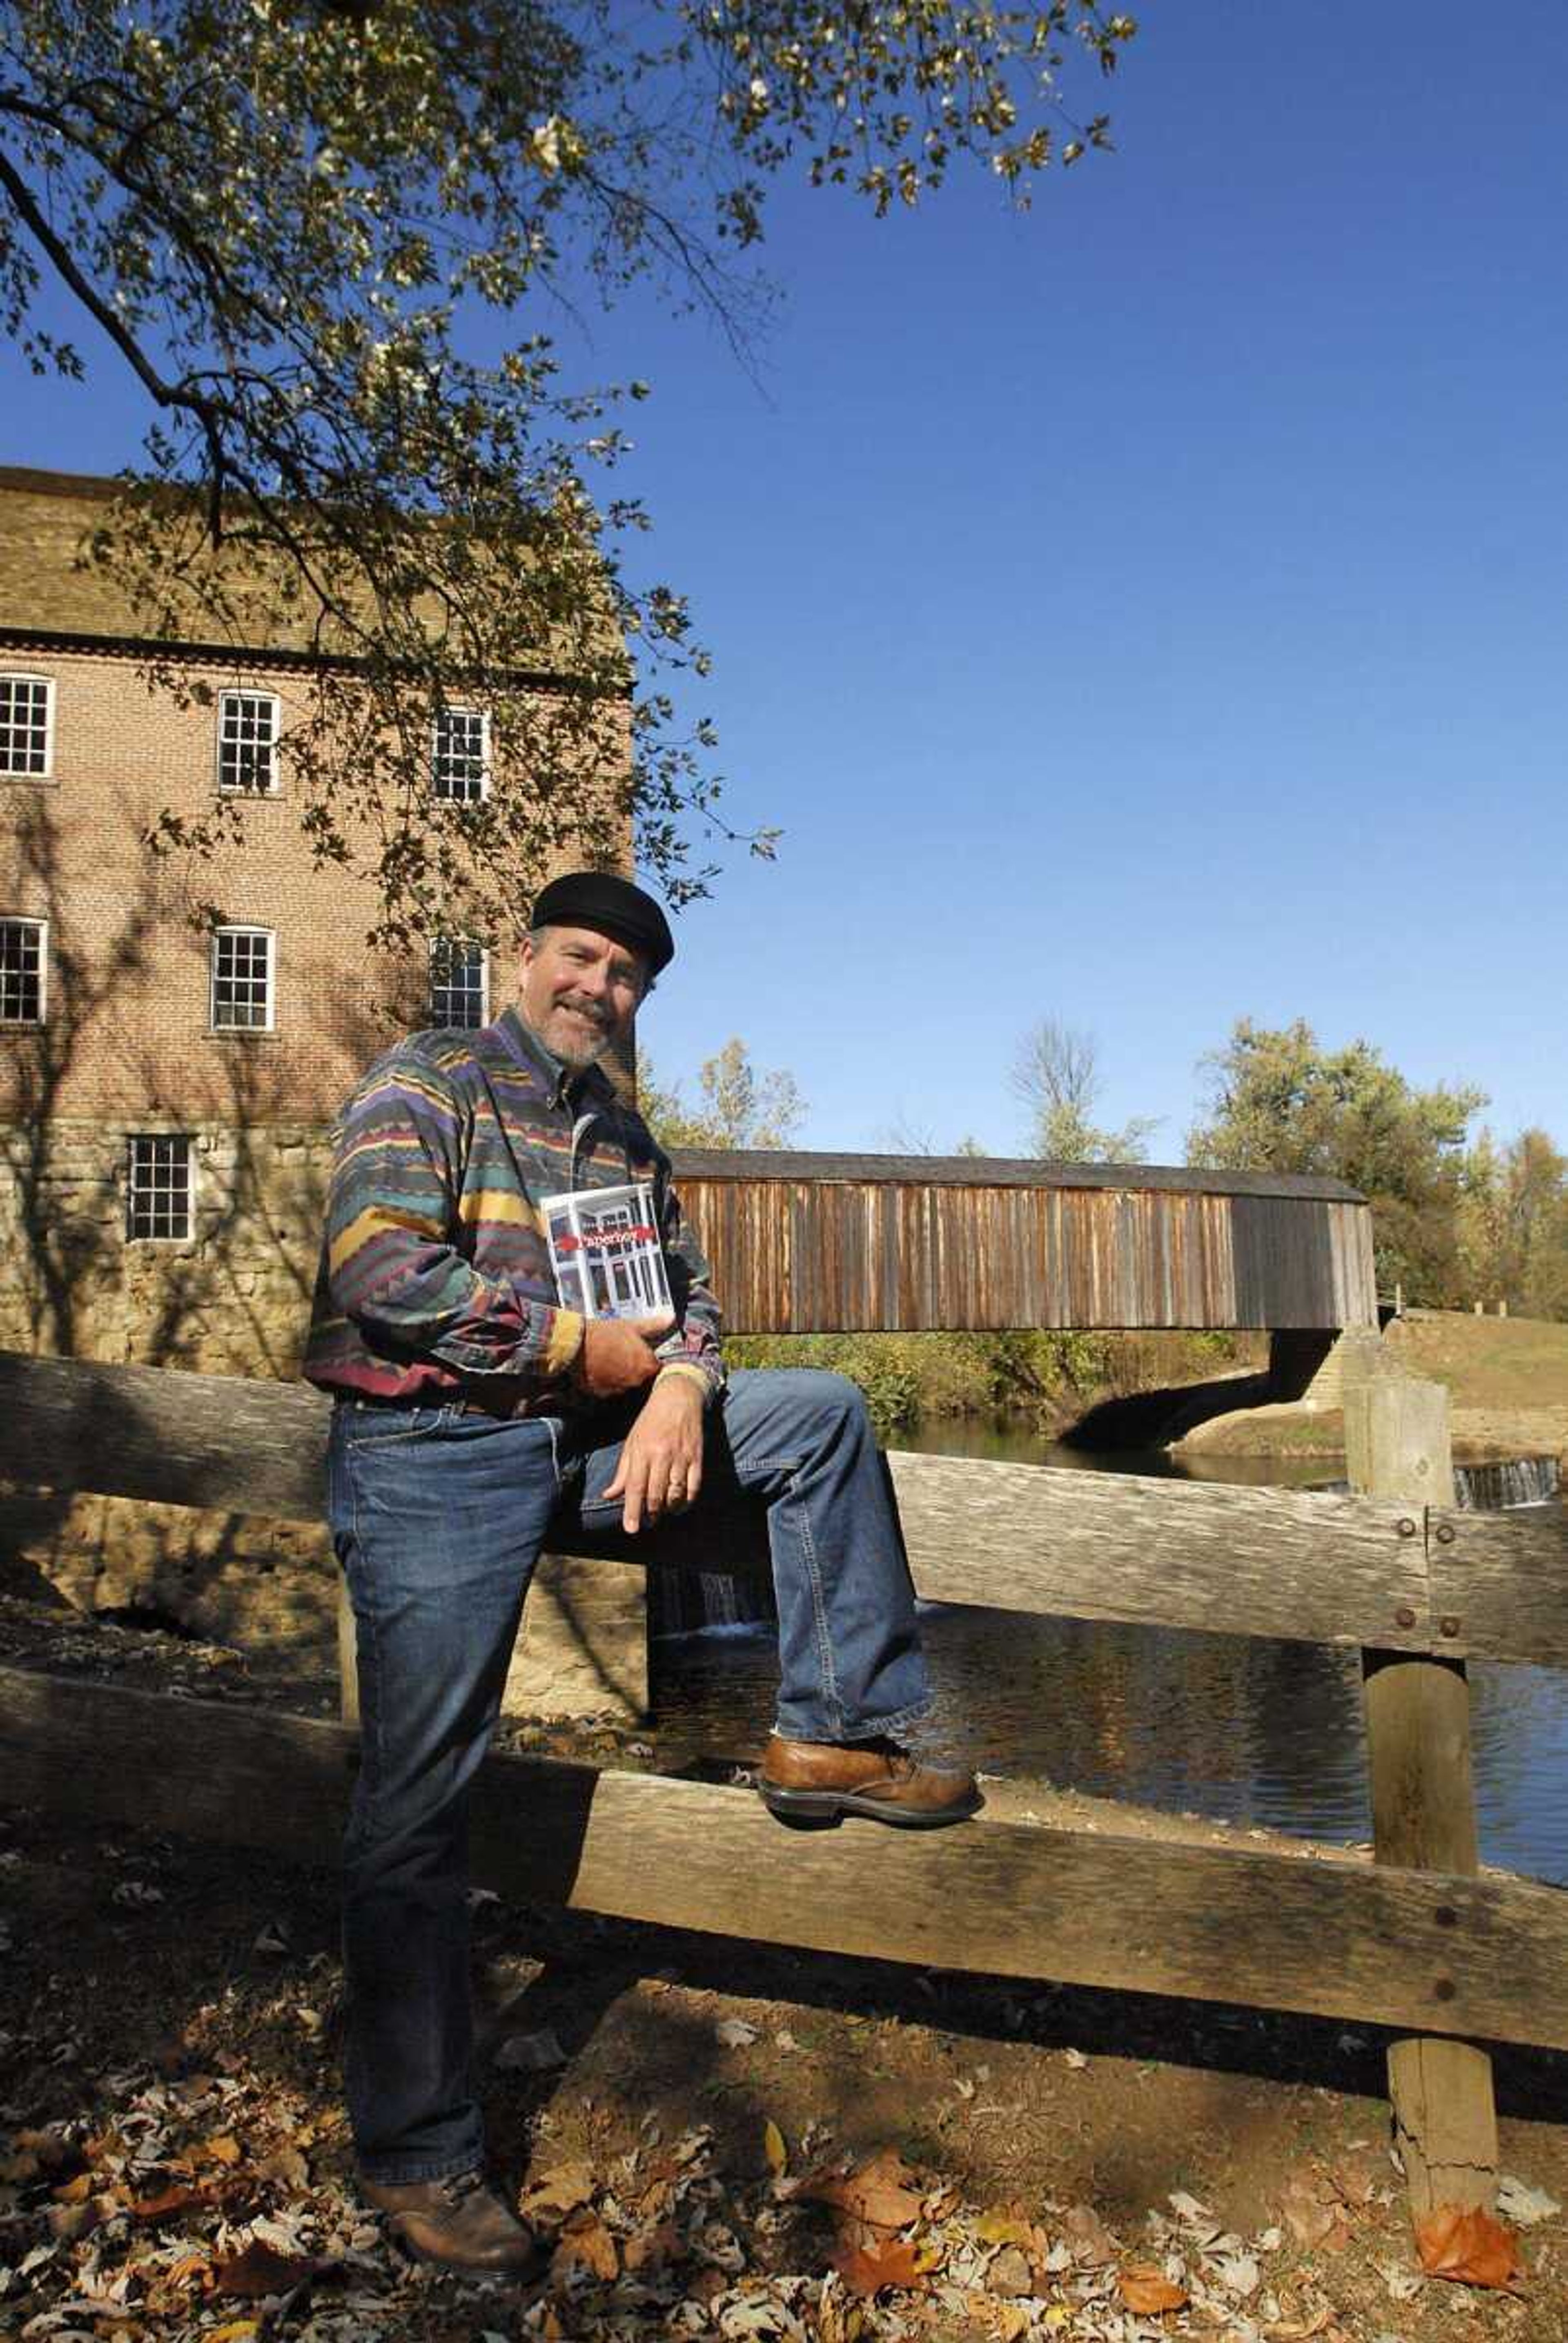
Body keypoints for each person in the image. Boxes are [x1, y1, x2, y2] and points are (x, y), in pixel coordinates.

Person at [304, 870, 978, 2275]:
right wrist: (576, 1351)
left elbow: (697, 1304)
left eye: (625, 976)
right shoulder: (426, 1081)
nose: (597, 988)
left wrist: (679, 1385)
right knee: (421, 1797)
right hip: (436, 1449)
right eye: (581, 956)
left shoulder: (626, 1136)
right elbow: (379, 1272)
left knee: (826, 1415)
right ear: (525, 955)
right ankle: (418, 2148)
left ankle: (831, 1730)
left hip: (599, 1442)